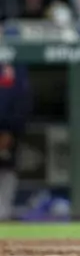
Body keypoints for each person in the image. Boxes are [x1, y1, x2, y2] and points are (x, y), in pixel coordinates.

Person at [0, 62, 30, 220]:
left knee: (7, 167)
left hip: (8, 130)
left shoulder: (14, 64)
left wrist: (9, 129)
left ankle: (3, 218)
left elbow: (22, 98)